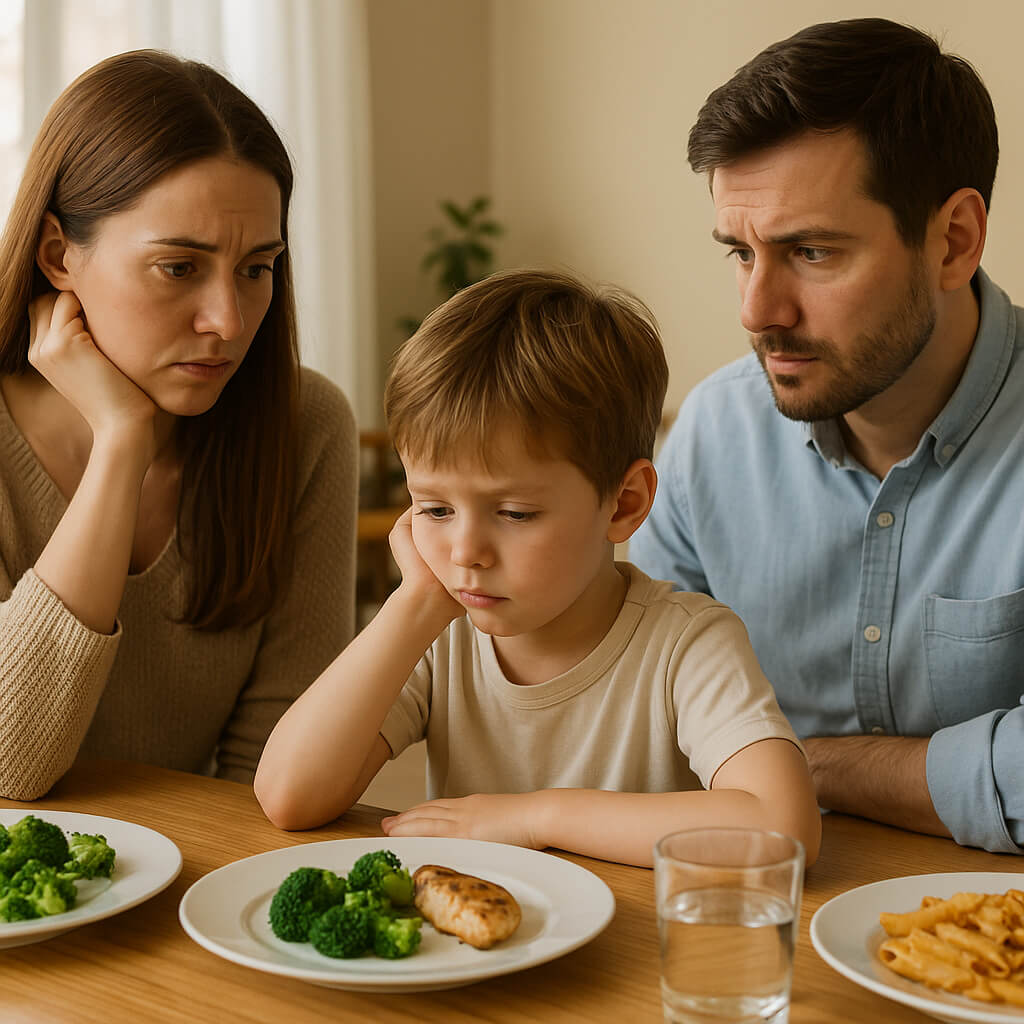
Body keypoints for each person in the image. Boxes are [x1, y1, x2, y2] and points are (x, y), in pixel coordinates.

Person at [254, 269, 821, 868]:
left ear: (624, 504)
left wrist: (535, 815)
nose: (465, 551)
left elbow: (783, 829)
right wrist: (412, 604)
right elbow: (289, 797)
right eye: (435, 508)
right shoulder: (441, 634)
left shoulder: (687, 643)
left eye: (515, 513)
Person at [631, 18, 1024, 853]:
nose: (755, 312)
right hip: (759, 922)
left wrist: (810, 770)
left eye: (810, 252)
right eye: (739, 252)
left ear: (953, 240)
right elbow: (632, 707)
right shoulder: (714, 433)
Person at [0, 51, 358, 799]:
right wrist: (121, 445)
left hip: (198, 892)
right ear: (59, 255)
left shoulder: (306, 429)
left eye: (257, 269)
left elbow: (276, 780)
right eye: (178, 268)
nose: (227, 321)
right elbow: (8, 769)